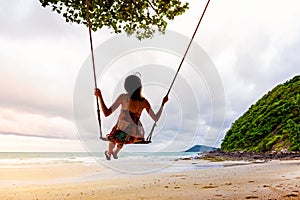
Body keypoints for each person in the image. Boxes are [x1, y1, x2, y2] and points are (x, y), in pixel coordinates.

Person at [95, 75, 169, 160]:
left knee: (115, 136)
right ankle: (115, 153)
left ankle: (109, 153)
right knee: (122, 135)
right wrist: (163, 103)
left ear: (126, 87)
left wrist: (99, 96)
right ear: (140, 87)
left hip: (122, 132)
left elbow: (106, 113)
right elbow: (156, 118)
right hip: (136, 135)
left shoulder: (123, 97)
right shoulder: (144, 102)